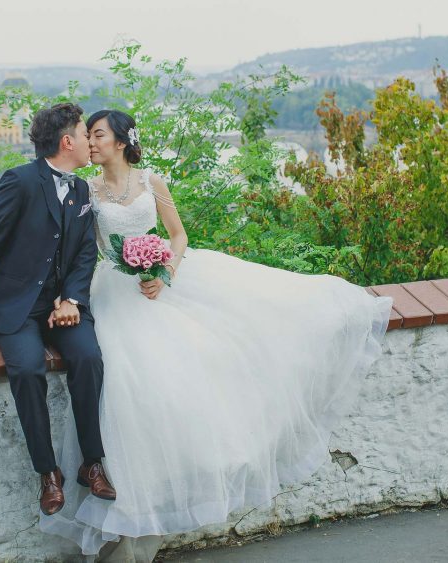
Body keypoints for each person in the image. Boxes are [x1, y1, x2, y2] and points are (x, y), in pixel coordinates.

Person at [38, 109, 394, 560]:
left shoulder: (153, 183)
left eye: (98, 134)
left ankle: (170, 501)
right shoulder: (87, 191)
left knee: (197, 376)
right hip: (112, 293)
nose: (91, 141)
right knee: (129, 397)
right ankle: (125, 518)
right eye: (88, 135)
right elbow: (78, 249)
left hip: (158, 289)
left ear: (123, 140)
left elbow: (178, 235)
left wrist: (164, 268)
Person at [0, 103, 117, 516]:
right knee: (28, 369)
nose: (90, 142)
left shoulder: (82, 191)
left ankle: (92, 462)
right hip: (16, 309)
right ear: (68, 142)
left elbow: (85, 255)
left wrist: (71, 300)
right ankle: (48, 473)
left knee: (89, 358)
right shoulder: (19, 181)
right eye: (86, 135)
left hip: (63, 307)